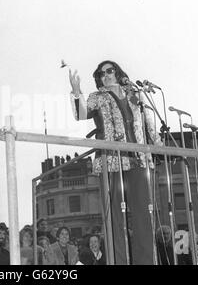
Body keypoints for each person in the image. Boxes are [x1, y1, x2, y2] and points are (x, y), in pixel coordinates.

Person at [69, 60, 162, 265]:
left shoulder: (135, 94)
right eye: (101, 74)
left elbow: (149, 123)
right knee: (115, 218)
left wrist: (159, 146)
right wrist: (76, 92)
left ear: (118, 72)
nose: (106, 75)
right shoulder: (98, 97)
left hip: (138, 159)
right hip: (111, 159)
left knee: (144, 216)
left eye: (109, 71)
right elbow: (80, 114)